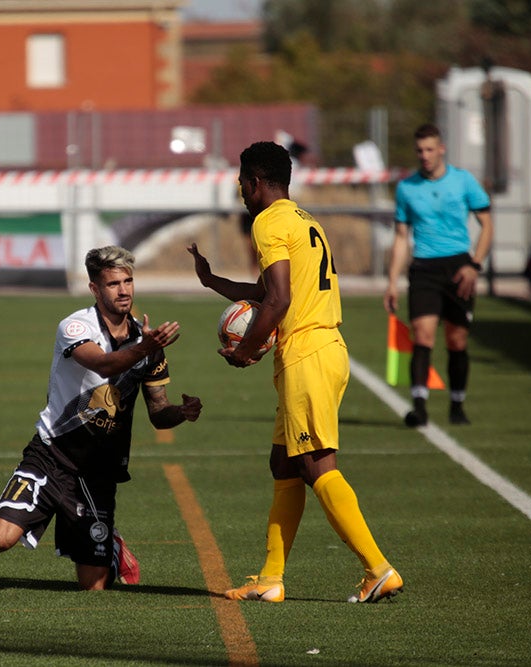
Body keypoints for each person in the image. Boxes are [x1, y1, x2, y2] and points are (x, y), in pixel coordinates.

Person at [188, 141, 401, 604]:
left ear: (258, 182)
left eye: (243, 181)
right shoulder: (302, 219)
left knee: (315, 463)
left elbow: (279, 301)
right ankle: (270, 578)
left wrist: (245, 350)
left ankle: (378, 569)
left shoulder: (266, 223)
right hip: (321, 349)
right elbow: (269, 292)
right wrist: (213, 282)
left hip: (307, 352)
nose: (240, 190)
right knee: (283, 463)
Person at [0, 246, 203, 592]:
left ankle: (110, 543)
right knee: (1, 537)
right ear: (95, 289)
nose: (124, 290)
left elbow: (158, 414)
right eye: (113, 283)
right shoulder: (75, 326)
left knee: (93, 587)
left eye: (128, 281)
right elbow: (102, 364)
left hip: (98, 471)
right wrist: (145, 347)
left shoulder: (148, 345)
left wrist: (182, 413)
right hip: (50, 455)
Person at [384, 123, 494, 427]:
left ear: (441, 149)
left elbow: (487, 225)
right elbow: (401, 237)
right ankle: (419, 406)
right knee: (422, 334)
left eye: (430, 149)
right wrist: (392, 281)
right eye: (420, 150)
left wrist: (475, 264)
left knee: (457, 340)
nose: (425, 155)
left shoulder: (463, 181)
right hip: (424, 268)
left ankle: (457, 404)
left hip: (459, 266)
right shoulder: (407, 188)